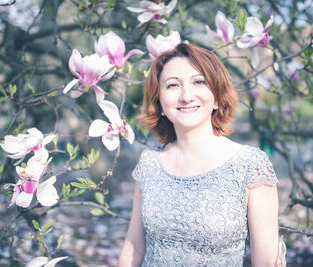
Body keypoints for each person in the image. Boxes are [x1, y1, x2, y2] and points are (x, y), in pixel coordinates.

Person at [118, 43, 282, 266]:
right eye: (173, 85)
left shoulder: (251, 165)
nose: (186, 96)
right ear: (160, 103)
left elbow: (265, 263)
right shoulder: (149, 163)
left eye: (199, 82)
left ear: (216, 97)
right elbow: (134, 247)